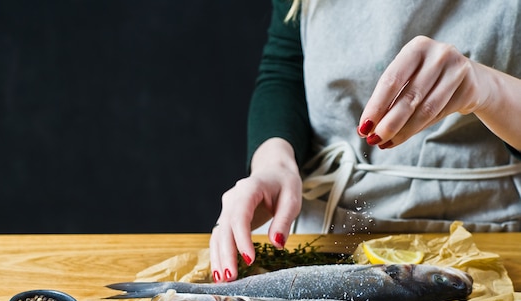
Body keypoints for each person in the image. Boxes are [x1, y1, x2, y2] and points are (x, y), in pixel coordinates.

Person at [209, 0, 521, 283]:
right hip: (322, 230)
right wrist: (274, 165)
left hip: (488, 241)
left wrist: (489, 89)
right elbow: (285, 67)